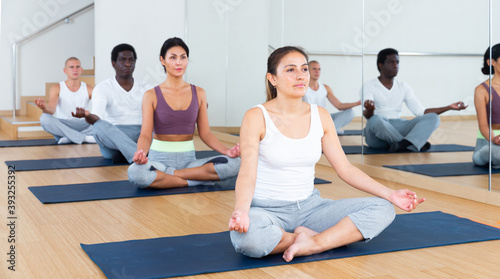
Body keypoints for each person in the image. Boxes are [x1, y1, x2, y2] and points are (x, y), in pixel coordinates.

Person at [228, 46, 425, 262]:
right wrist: (242, 211)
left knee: (384, 209)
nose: (300, 76)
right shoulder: (256, 116)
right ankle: (307, 237)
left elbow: (345, 168)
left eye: (304, 69)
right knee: (248, 239)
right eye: (290, 70)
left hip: (312, 208)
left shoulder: (320, 115)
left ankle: (315, 243)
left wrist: (390, 193)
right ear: (272, 79)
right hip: (268, 210)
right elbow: (247, 173)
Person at [127, 37, 241, 189]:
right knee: (135, 172)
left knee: (235, 163)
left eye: (183, 57)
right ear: (162, 60)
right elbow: (146, 135)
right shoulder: (151, 95)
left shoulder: (199, 93)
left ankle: (171, 176)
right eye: (172, 57)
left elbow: (205, 133)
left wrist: (228, 151)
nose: (178, 62)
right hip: (159, 161)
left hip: (189, 162)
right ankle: (197, 179)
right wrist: (141, 154)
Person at [362, 48, 467, 152]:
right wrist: (370, 110)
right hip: (378, 132)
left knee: (433, 118)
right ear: (381, 65)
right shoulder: (369, 86)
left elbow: (421, 112)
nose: (396, 66)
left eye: (397, 62)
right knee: (376, 119)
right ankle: (411, 142)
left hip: (398, 125)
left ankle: (402, 144)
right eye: (391, 62)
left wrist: (449, 107)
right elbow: (368, 115)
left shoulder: (404, 87)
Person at [73, 44, 152, 163]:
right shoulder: (102, 87)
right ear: (113, 63)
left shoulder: (147, 88)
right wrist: (87, 115)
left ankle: (128, 154)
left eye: (131, 60)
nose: (127, 64)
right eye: (122, 60)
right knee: (98, 126)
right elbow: (97, 118)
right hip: (114, 135)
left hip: (141, 134)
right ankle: (141, 156)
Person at [36, 57, 94, 144]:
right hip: (64, 124)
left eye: (77, 67)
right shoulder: (56, 88)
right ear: (65, 70)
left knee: (106, 117)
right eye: (71, 67)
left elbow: (99, 109)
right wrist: (44, 108)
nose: (75, 69)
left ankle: (69, 137)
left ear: (81, 70)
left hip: (83, 124)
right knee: (44, 118)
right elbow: (51, 110)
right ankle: (83, 138)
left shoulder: (89, 89)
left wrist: (88, 114)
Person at [303, 60, 361, 134]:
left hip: (322, 118)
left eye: (319, 69)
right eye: (314, 69)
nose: (317, 71)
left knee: (350, 112)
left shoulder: (325, 87)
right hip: (308, 119)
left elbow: (339, 105)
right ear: (307, 71)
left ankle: (329, 130)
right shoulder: (303, 87)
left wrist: (358, 103)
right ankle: (331, 130)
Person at [473, 43, 500, 168]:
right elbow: (483, 125)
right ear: (491, 62)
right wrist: (494, 140)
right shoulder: (482, 90)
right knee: (494, 150)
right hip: (487, 144)